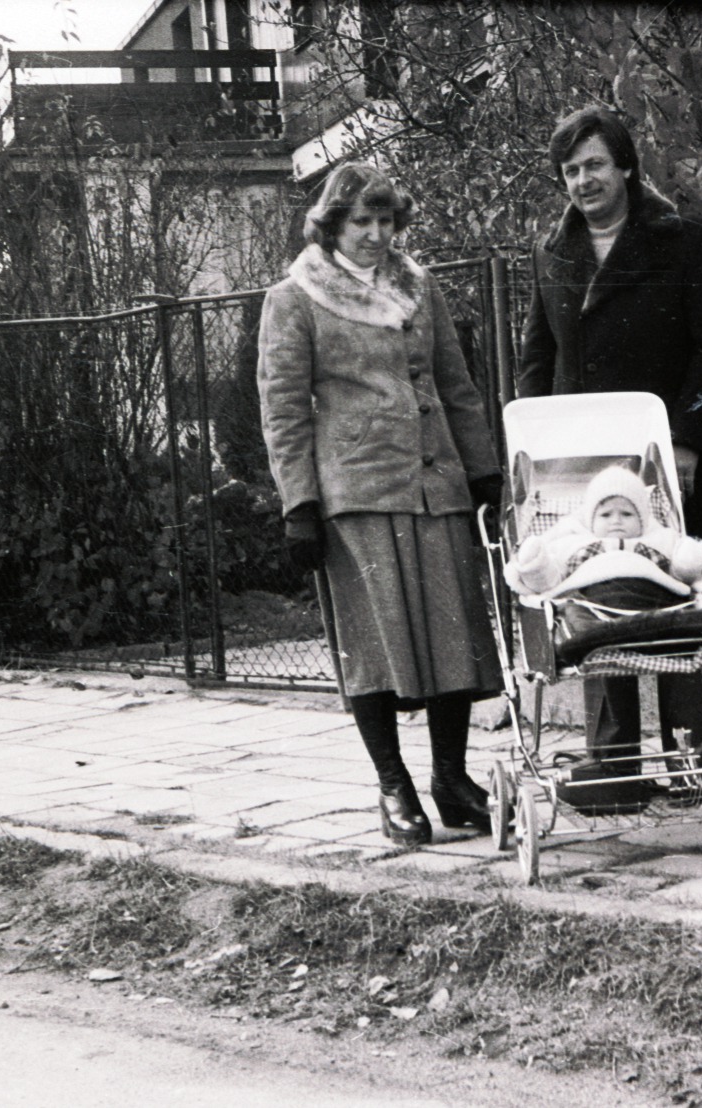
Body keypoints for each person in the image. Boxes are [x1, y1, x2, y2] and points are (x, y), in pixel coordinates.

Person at [258, 162, 504, 847]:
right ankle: (393, 784)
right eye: (359, 222)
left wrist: (482, 470)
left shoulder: (419, 289)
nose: (374, 235)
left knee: (454, 638)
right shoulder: (295, 298)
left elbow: (457, 385)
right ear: (331, 224)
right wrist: (297, 504)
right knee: (374, 645)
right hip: (358, 494)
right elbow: (282, 410)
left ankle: (452, 781)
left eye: (385, 220)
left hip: (437, 488)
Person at [517, 106, 702, 764]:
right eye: (569, 171)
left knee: (678, 601)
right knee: (595, 602)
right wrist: (537, 450)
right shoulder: (551, 255)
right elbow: (536, 359)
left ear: (625, 167)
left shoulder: (683, 242)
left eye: (593, 165)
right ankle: (613, 764)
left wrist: (688, 440)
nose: (582, 181)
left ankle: (693, 754)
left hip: (671, 462)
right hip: (583, 473)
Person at [507, 464, 702, 598]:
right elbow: (554, 577)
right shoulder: (573, 541)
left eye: (627, 514)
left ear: (642, 520)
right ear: (591, 520)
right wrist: (536, 565)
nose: (616, 521)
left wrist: (689, 561)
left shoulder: (661, 538)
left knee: (676, 611)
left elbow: (681, 573)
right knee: (575, 616)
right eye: (605, 515)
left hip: (652, 598)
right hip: (588, 600)